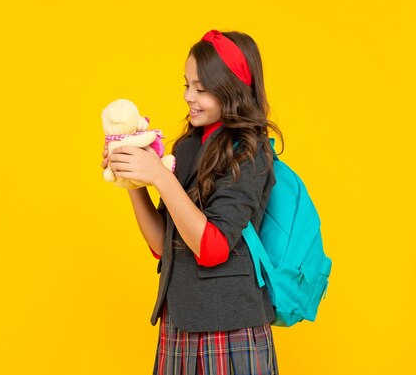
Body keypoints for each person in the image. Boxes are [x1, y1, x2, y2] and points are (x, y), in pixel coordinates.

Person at [101, 29, 285, 375]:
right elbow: (161, 245)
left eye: (201, 88)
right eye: (186, 85)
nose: (189, 96)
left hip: (229, 328)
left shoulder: (250, 152)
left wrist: (158, 175)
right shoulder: (185, 148)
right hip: (180, 321)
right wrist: (132, 177)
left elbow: (213, 247)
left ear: (232, 90)